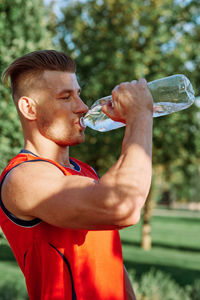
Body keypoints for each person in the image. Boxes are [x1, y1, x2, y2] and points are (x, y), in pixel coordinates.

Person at [0, 50, 153, 300]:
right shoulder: (23, 177)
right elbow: (123, 206)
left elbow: (112, 266)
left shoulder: (85, 171)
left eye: (78, 94)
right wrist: (140, 117)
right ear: (29, 108)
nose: (82, 107)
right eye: (65, 97)